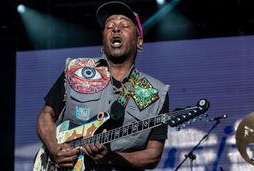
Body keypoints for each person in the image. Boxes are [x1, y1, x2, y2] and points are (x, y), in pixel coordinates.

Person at [34, 1, 170, 171]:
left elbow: (153, 155)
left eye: (124, 25)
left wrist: (110, 158)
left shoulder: (154, 92)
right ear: (103, 38)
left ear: (139, 41)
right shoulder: (77, 70)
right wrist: (54, 148)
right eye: (109, 26)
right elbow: (46, 115)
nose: (116, 29)